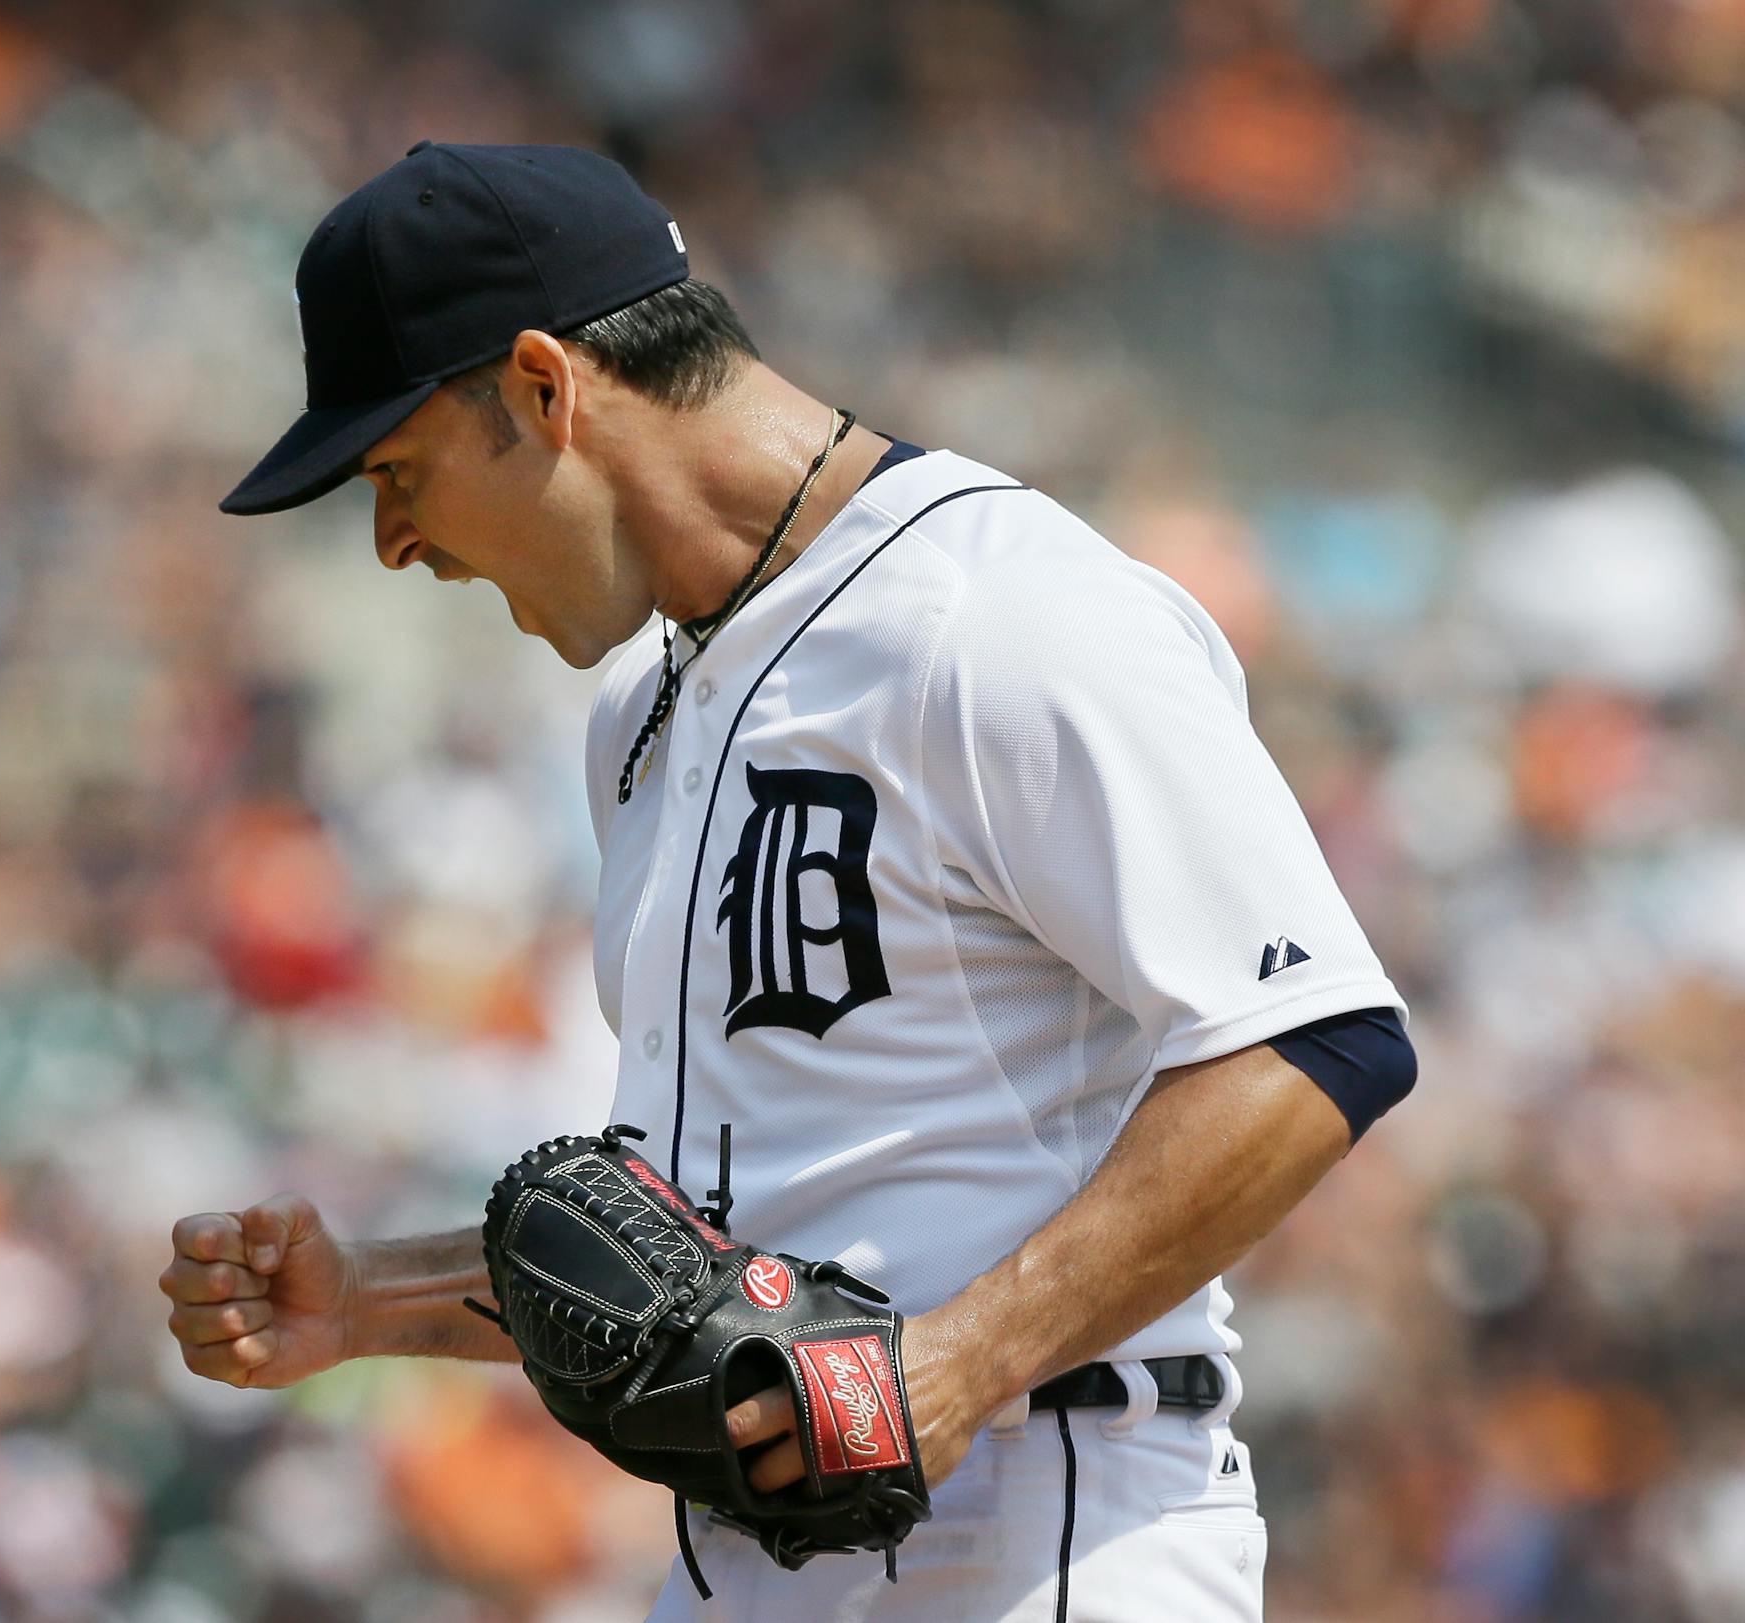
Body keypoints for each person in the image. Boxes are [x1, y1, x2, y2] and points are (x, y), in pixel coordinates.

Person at [161, 142, 1416, 1622]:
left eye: (398, 469)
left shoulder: (995, 610)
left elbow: (1315, 1040)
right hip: (747, 1560)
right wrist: (370, 1301)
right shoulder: (641, 716)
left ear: (547, 388)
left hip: (1043, 1528)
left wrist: (961, 1362)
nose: (391, 543)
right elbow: (697, 1267)